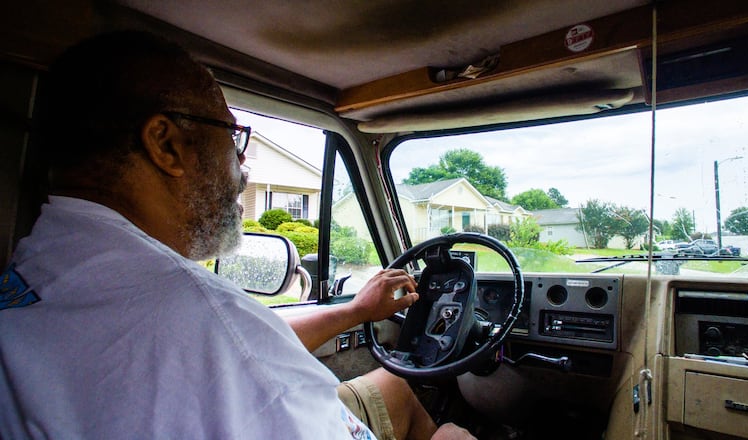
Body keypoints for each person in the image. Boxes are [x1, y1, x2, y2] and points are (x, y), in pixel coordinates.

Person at [0, 31, 473, 439]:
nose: (243, 164)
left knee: (395, 386)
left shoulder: (38, 266)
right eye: (232, 136)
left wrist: (355, 311)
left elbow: (239, 343)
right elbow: (229, 342)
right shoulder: (203, 317)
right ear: (166, 144)